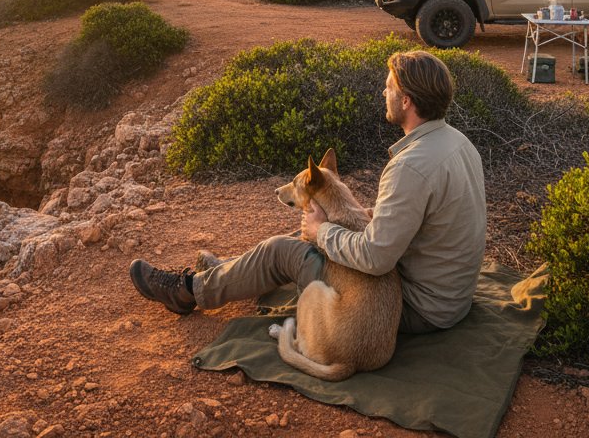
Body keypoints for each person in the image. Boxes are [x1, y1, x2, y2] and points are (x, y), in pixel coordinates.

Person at [128, 51, 486, 334]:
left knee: (284, 248)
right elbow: (427, 222)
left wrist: (324, 231)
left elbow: (377, 259)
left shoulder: (410, 166)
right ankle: (229, 272)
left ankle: (187, 291)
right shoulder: (458, 143)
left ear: (406, 101)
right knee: (311, 232)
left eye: (389, 87)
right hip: (449, 297)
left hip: (414, 308)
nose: (383, 92)